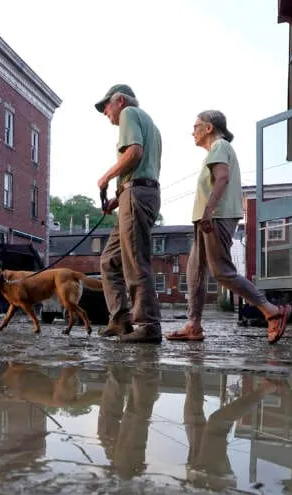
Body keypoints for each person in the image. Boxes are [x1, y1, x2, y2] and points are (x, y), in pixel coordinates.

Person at [167, 110, 292, 345]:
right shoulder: (216, 150)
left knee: (221, 271)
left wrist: (208, 211)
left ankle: (272, 310)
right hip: (205, 219)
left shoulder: (219, 147)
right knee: (194, 273)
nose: (192, 131)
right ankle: (193, 325)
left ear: (209, 128)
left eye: (196, 126)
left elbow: (222, 177)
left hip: (215, 217)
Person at [94, 84, 163, 343]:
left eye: (105, 106)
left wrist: (106, 177)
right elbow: (141, 166)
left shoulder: (129, 114)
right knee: (109, 261)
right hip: (134, 195)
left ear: (120, 101)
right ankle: (120, 319)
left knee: (135, 261)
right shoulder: (150, 124)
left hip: (137, 196)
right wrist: (117, 197)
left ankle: (148, 325)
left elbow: (134, 153)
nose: (105, 113)